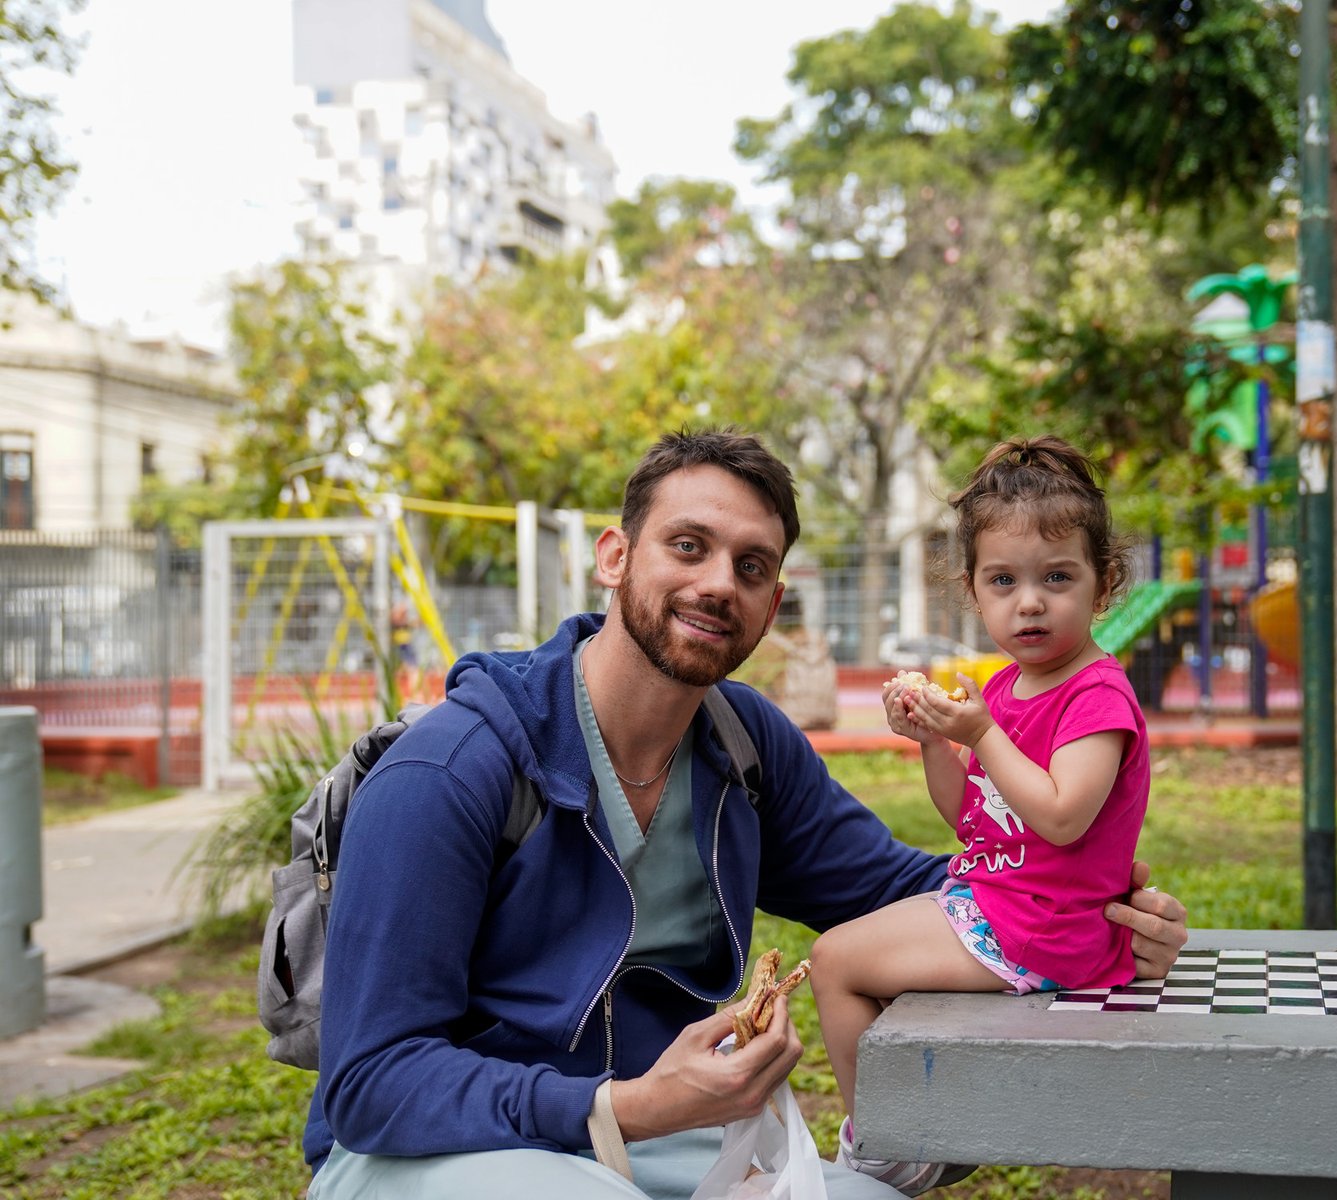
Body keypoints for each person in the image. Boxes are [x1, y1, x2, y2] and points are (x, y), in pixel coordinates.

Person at [304, 428, 1189, 1200]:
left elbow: (902, 891)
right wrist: (626, 1104)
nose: (719, 583)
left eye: (752, 566)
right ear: (615, 557)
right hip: (433, 1151)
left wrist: (1078, 903)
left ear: (773, 603)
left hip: (655, 1135)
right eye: (688, 546)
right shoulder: (449, 770)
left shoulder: (742, 743)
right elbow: (372, 1082)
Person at [812, 437, 1152, 1195]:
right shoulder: (1003, 688)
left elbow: (1061, 818)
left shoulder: (1095, 696)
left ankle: (883, 1147)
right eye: (1004, 580)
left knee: (835, 962)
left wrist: (984, 734)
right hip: (999, 902)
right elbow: (971, 817)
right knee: (853, 959)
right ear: (973, 590)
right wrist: (937, 741)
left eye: (1057, 577)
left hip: (1043, 929)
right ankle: (912, 1126)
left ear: (1103, 583)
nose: (1029, 601)